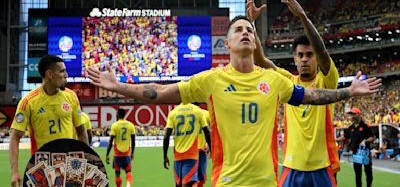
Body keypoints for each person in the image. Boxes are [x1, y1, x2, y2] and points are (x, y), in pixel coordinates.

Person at [86, 15, 381, 187]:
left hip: (267, 182)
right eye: (238, 29)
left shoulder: (276, 81)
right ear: (227, 43)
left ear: (254, 44)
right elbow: (160, 93)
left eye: (249, 30)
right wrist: (119, 86)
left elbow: (313, 96)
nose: (245, 32)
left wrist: (348, 91)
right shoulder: (212, 80)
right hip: (227, 181)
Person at [247, 0, 341, 186]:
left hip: (322, 167)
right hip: (291, 166)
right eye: (300, 55)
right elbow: (261, 61)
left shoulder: (327, 80)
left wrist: (302, 16)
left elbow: (322, 51)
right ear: (294, 60)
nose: (305, 59)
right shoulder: (287, 82)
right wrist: (252, 24)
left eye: (309, 54)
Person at [9, 55, 88, 187]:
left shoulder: (71, 96)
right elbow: (14, 137)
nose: (66, 75)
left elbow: (81, 132)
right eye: (62, 71)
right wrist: (15, 171)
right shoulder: (28, 102)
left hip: (70, 169)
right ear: (50, 74)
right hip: (43, 170)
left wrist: (86, 161)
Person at [163, 103, 210, 187]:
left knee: (179, 182)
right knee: (196, 180)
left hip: (179, 154)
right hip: (195, 152)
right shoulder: (201, 112)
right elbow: (209, 131)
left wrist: (165, 156)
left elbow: (166, 136)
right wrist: (211, 147)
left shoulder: (174, 112)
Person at [337, 107, 375, 187]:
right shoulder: (351, 128)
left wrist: (365, 141)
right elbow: (345, 136)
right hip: (356, 153)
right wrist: (335, 139)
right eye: (351, 114)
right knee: (358, 173)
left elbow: (372, 137)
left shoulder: (365, 126)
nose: (352, 116)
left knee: (368, 171)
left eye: (354, 114)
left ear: (358, 115)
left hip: (365, 152)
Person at [106, 108, 136, 187]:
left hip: (117, 154)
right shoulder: (130, 125)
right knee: (128, 172)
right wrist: (132, 152)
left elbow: (110, 141)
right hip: (127, 154)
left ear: (118, 114)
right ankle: (128, 185)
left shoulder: (115, 125)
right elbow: (133, 141)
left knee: (117, 174)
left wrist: (107, 154)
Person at [197, 108, 210, 187]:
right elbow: (215, 129)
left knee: (189, 177)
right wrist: (209, 146)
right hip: (202, 149)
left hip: (188, 150)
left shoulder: (180, 112)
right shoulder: (206, 113)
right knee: (201, 177)